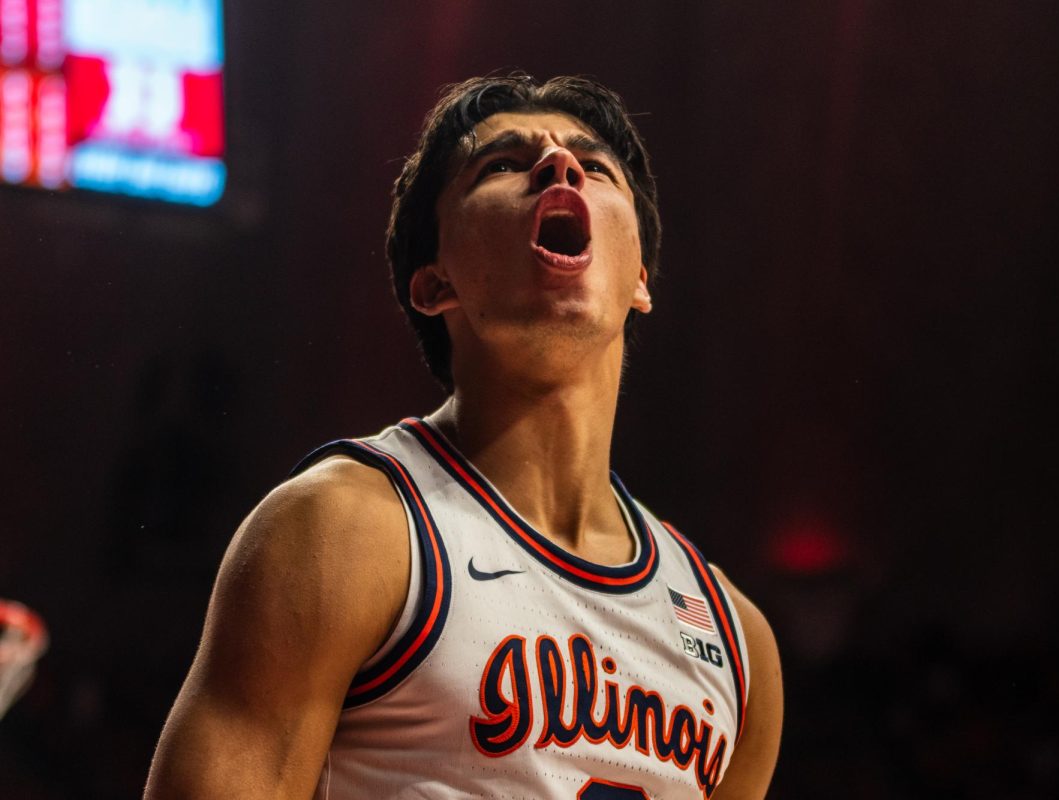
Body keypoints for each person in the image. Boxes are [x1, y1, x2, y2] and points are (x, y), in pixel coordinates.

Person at [145, 73, 782, 799]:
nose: (558, 165)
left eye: (594, 164)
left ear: (639, 278)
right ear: (434, 282)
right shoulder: (342, 528)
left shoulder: (739, 642)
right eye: (504, 165)